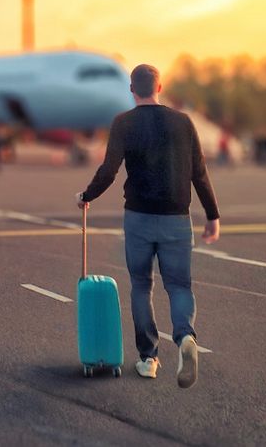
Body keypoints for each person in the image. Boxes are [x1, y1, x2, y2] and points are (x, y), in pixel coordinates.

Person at [75, 64, 221, 388]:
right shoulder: (184, 122)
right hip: (177, 219)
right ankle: (185, 337)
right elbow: (198, 172)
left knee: (141, 286)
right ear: (160, 87)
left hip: (139, 217)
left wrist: (87, 196)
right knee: (179, 286)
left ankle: (148, 358)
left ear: (131, 89)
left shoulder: (123, 123)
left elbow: (109, 170)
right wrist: (213, 215)